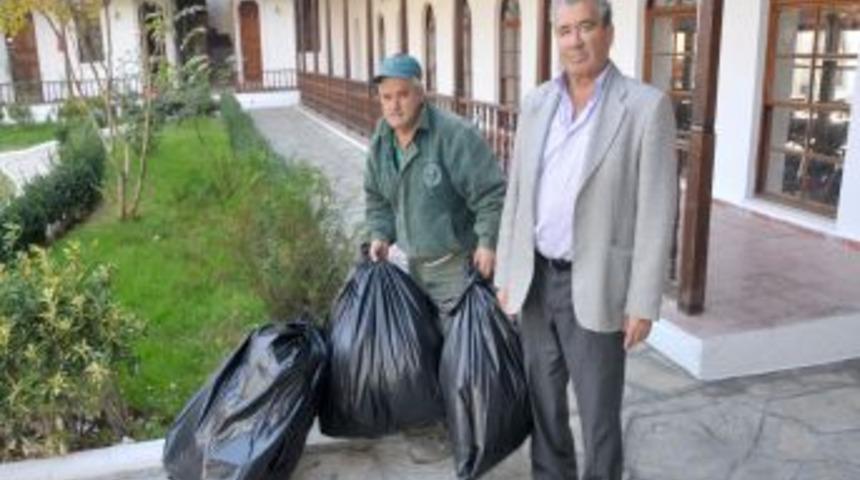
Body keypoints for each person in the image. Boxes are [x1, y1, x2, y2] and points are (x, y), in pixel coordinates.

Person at [494, 1, 678, 479]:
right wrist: (508, 272)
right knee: (544, 403)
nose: (575, 41)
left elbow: (658, 211)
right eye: (565, 30)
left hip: (596, 283)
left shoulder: (644, 107)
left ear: (609, 33)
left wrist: (642, 301)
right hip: (535, 280)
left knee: (598, 415)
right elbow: (516, 193)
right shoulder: (537, 103)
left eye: (586, 28)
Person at [364, 54, 506, 462]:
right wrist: (379, 234)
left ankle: (469, 432)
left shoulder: (453, 136)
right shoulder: (382, 139)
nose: (394, 105)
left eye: (402, 95)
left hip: (455, 265)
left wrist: (487, 241)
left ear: (420, 93)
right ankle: (441, 423)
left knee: (460, 355)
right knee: (424, 349)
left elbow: (491, 193)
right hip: (412, 267)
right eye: (386, 97)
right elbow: (376, 197)